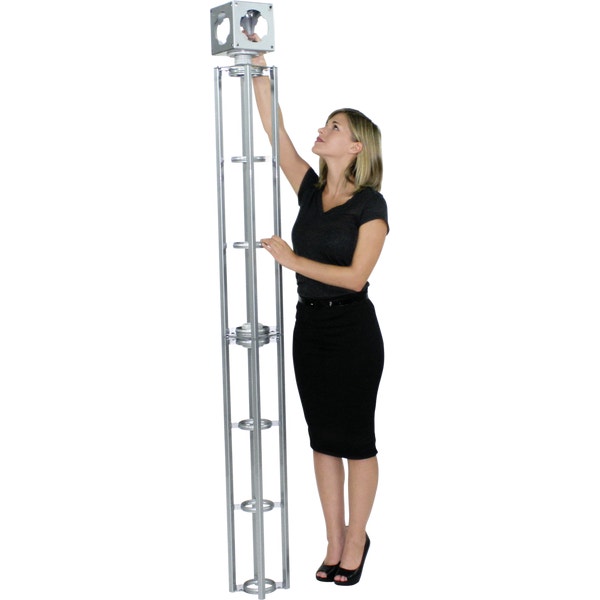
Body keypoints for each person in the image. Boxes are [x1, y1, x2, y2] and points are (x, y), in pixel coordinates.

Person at [248, 42, 389, 587]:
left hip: (352, 331)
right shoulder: (309, 189)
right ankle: (333, 539)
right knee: (322, 438)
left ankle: (357, 538)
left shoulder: (370, 204)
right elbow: (275, 132)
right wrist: (259, 70)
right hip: (309, 329)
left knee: (356, 440)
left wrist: (292, 260)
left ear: (356, 146)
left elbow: (355, 277)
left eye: (334, 126)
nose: (322, 130)